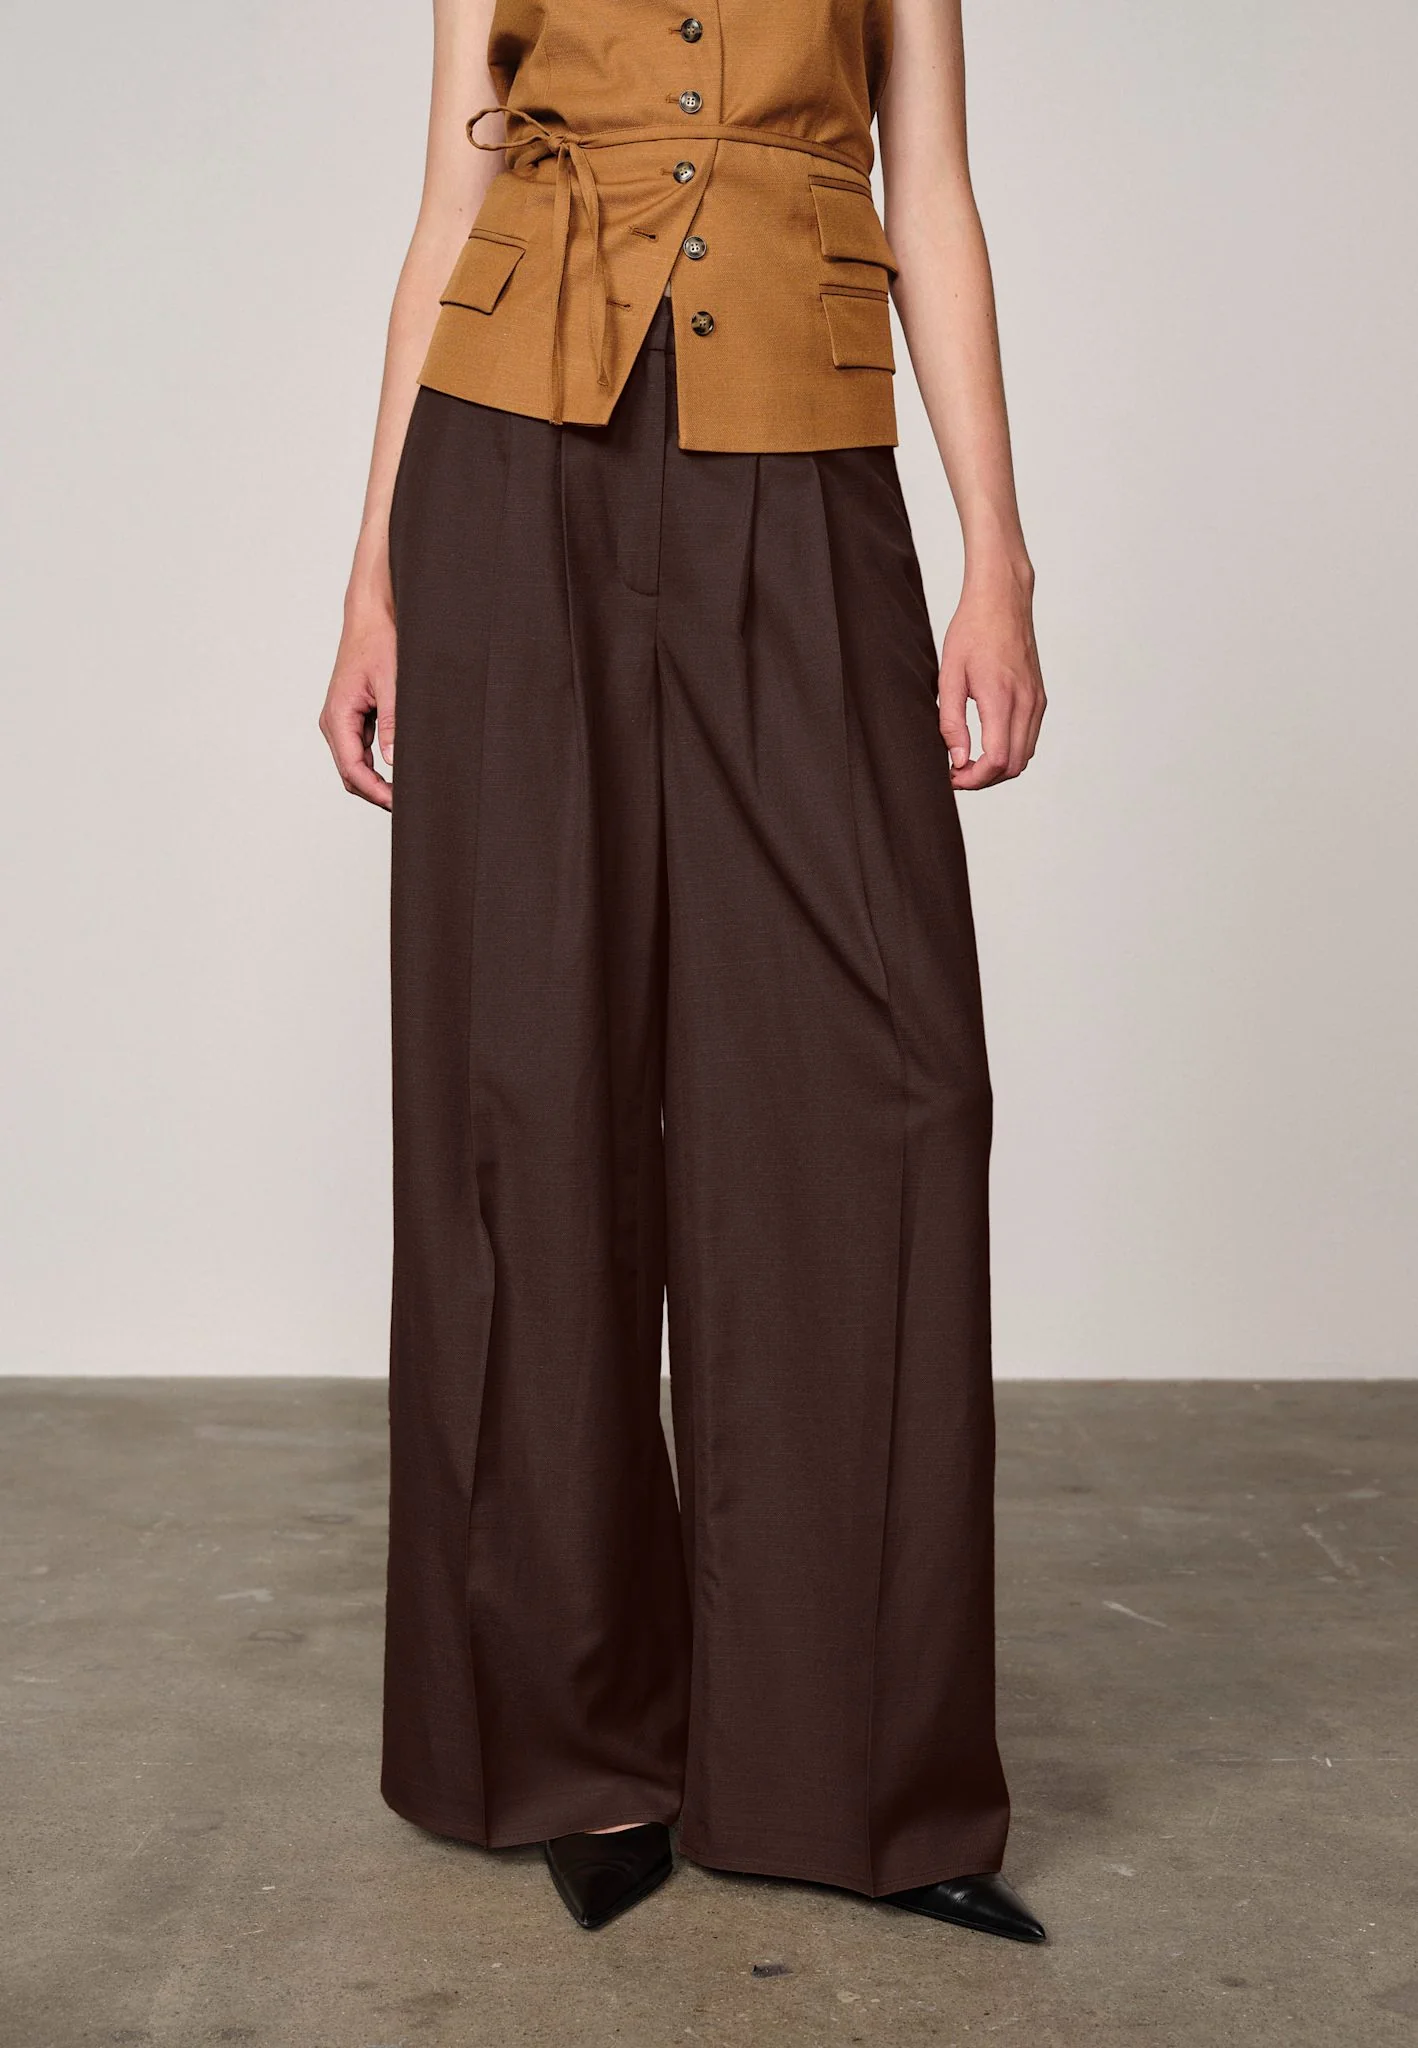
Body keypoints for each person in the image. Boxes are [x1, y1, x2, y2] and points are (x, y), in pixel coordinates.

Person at [319, 0, 1048, 1940]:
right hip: (508, 468)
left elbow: (931, 185)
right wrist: (371, 572)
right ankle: (574, 1744)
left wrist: (995, 554)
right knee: (526, 1078)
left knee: (881, 1090)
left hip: (797, 454)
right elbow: (453, 192)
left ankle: (854, 1770)